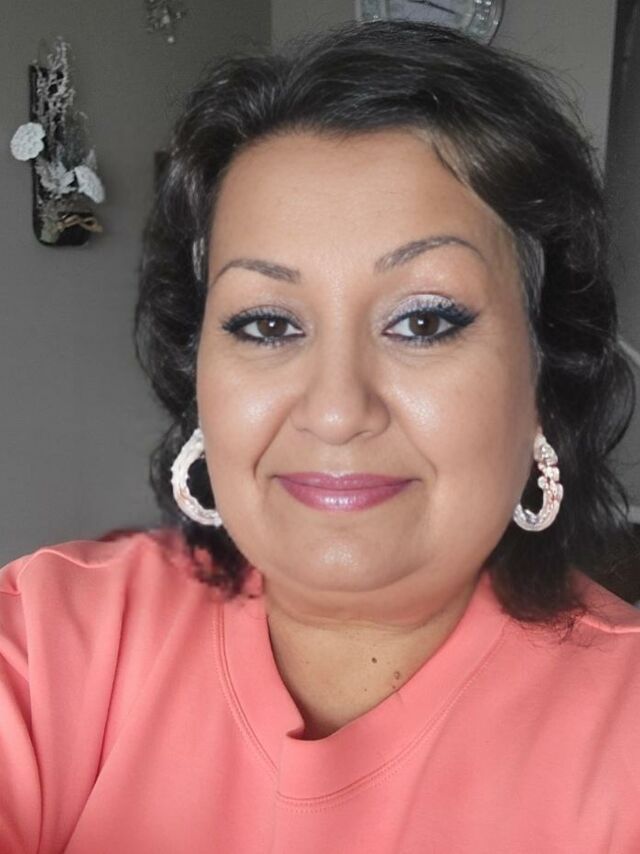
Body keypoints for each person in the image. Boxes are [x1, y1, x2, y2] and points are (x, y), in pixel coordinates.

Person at [1, 19, 640, 854]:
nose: (336, 411)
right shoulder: (47, 645)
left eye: (423, 321)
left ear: (543, 379)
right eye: (267, 323)